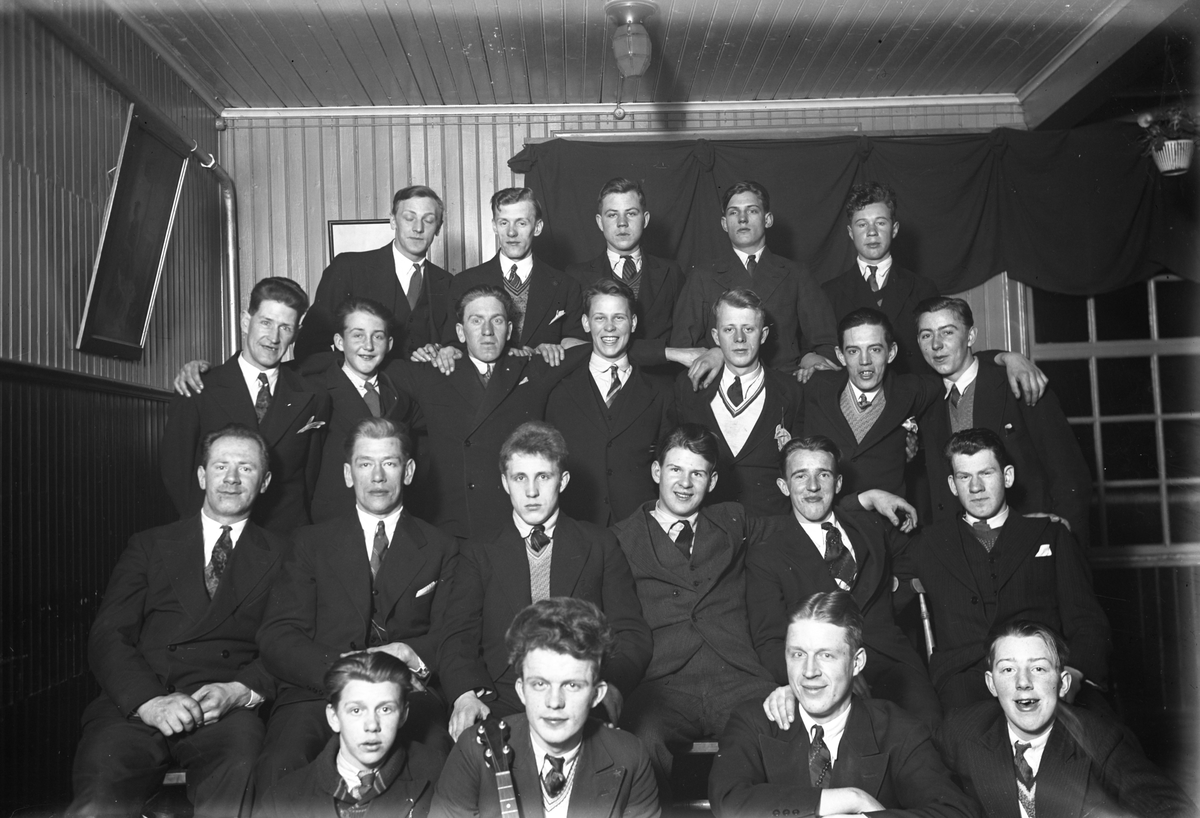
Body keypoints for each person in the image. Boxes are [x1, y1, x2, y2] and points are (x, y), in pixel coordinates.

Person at [68, 425, 287, 818]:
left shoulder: (283, 555)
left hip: (224, 711)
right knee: (99, 798)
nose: (232, 479)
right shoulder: (149, 544)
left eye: (246, 468)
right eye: (220, 466)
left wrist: (238, 691)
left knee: (238, 781)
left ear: (265, 481)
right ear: (202, 476)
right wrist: (149, 702)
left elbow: (286, 643)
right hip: (138, 703)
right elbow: (107, 635)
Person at [254, 418, 458, 793]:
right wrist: (342, 669)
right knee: (281, 763)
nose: (377, 476)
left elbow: (451, 634)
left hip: (407, 691)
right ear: (349, 474)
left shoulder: (442, 547)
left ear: (408, 471)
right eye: (365, 464)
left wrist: (405, 653)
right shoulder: (310, 543)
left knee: (439, 765)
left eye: (389, 463)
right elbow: (278, 636)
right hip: (319, 692)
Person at [437, 421, 652, 740]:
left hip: (579, 695)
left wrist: (609, 687)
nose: (531, 491)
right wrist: (465, 695)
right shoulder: (478, 550)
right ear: (505, 482)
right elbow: (457, 635)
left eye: (543, 477)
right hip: (501, 698)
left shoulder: (599, 544)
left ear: (562, 481)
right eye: (519, 478)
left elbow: (631, 633)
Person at [611, 423, 779, 799]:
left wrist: (862, 501)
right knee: (639, 740)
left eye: (697, 473)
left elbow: (797, 527)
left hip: (737, 677)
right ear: (657, 471)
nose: (685, 483)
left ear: (712, 480)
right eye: (675, 469)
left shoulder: (734, 521)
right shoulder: (620, 538)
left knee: (781, 726)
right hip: (662, 684)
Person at [708, 592, 977, 818]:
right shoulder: (755, 720)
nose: (809, 671)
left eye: (826, 655)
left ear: (857, 663)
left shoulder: (898, 729)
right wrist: (852, 799)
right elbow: (728, 800)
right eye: (798, 654)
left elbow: (956, 812)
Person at [747, 435, 942, 730]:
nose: (813, 486)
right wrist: (828, 672)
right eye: (801, 476)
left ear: (838, 483)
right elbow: (769, 643)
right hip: (822, 672)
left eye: (823, 475)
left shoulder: (870, 526)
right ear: (784, 486)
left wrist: (892, 597)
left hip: (891, 663)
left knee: (929, 729)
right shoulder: (768, 554)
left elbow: (914, 560)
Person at [909, 428, 1110, 711]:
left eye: (986, 473)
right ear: (953, 485)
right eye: (964, 477)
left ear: (1008, 476)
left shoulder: (1049, 535)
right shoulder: (928, 544)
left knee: (1093, 730)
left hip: (1041, 672)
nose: (975, 487)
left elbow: (1087, 621)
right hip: (964, 683)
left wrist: (1075, 672)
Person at [937, 621, 1196, 818]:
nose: (1023, 682)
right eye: (1008, 669)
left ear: (1062, 684)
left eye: (1038, 668)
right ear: (991, 684)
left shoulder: (1098, 739)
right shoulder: (961, 732)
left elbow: (1175, 809)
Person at [431, 597, 660, 818]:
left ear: (596, 694)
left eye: (572, 685)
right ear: (522, 690)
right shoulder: (474, 752)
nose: (554, 702)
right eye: (540, 684)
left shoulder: (630, 758)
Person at [803, 308, 1045, 500]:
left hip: (887, 528)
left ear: (891, 353)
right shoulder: (816, 387)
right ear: (840, 355)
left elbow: (960, 365)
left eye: (875, 349)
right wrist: (806, 358)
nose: (864, 361)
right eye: (853, 351)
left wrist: (1006, 357)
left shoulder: (913, 391)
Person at [916, 296, 1092, 545]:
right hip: (961, 549)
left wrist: (1065, 545)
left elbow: (1069, 476)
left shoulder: (1018, 383)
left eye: (947, 332)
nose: (936, 344)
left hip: (1028, 540)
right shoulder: (925, 400)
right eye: (926, 335)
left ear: (971, 336)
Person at [161, 276, 330, 533]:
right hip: (218, 532)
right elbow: (177, 472)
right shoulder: (199, 387)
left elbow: (311, 476)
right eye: (266, 322)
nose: (273, 337)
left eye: (285, 328)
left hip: (285, 537)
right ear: (245, 321)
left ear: (295, 334)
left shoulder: (312, 395)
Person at [670, 180, 839, 379]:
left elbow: (827, 343)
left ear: (767, 219)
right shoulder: (702, 276)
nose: (742, 219)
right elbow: (682, 346)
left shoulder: (797, 274)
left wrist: (811, 359)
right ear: (724, 224)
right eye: (734, 212)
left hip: (785, 385)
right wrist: (716, 353)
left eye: (752, 211)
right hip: (722, 384)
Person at [545, 278, 673, 525]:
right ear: (586, 323)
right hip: (575, 524)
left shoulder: (660, 391)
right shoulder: (559, 387)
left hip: (638, 526)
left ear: (633, 323)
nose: (609, 327)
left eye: (619, 318)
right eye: (600, 318)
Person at [257, 652, 445, 818]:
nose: (372, 725)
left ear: (403, 715)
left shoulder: (438, 774)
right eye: (356, 710)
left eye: (385, 709)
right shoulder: (283, 798)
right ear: (334, 717)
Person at [673, 288, 803, 516]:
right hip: (705, 521)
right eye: (729, 329)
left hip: (769, 523)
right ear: (716, 337)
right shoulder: (689, 386)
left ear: (763, 335)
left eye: (748, 329)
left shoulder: (791, 391)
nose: (739, 338)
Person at [294, 185, 453, 362]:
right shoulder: (349, 268)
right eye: (409, 218)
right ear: (393, 221)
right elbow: (310, 344)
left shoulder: (448, 283)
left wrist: (440, 352)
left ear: (438, 228)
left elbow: (454, 346)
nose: (418, 228)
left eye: (428, 220)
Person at [308, 299, 418, 523]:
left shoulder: (399, 395)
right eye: (358, 335)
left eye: (377, 336)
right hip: (334, 519)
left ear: (389, 344)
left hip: (390, 517)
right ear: (339, 342)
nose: (368, 346)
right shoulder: (316, 391)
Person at [446, 187, 587, 354]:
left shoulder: (566, 286)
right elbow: (453, 346)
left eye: (521, 223)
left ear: (537, 227)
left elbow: (577, 345)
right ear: (494, 226)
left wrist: (549, 351)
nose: (511, 232)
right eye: (504, 223)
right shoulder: (464, 282)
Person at [822, 182, 939, 376]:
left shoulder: (923, 288)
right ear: (850, 232)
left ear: (894, 229)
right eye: (862, 224)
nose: (872, 232)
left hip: (911, 390)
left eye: (880, 223)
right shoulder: (829, 293)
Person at [565, 177, 685, 342]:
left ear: (645, 219)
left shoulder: (671, 273)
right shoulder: (575, 277)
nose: (622, 223)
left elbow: (683, 338)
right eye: (612, 215)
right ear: (600, 222)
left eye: (631, 213)